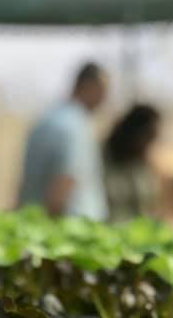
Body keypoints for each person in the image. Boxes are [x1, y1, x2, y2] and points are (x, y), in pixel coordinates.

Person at [17, 62, 109, 220]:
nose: (104, 100)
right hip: (71, 227)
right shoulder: (75, 126)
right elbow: (65, 180)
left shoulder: (46, 119)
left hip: (33, 220)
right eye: (102, 92)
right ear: (88, 86)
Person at [103, 103, 162, 222]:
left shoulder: (144, 164)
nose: (150, 142)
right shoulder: (104, 158)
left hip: (141, 232)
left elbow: (153, 203)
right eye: (148, 135)